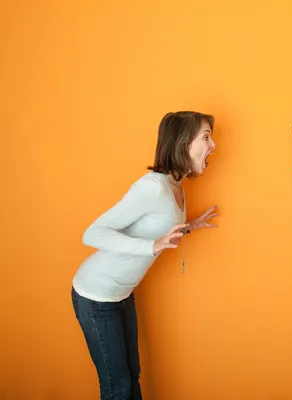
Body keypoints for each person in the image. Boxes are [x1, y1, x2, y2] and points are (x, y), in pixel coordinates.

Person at [71, 111, 219, 400]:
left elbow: (158, 227)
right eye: (206, 137)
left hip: (121, 293)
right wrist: (150, 247)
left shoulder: (177, 186)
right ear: (182, 143)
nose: (213, 145)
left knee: (132, 376)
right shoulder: (152, 187)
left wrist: (191, 227)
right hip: (95, 294)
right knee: (118, 387)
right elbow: (92, 233)